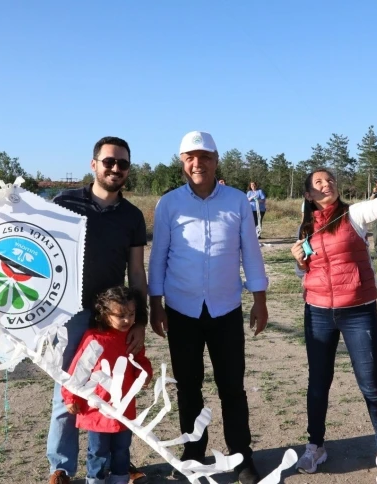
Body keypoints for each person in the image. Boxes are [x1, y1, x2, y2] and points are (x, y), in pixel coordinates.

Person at [290, 151, 377, 483]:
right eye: (318, 182)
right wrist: (299, 262)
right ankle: (315, 446)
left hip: (357, 312)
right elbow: (304, 273)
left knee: (370, 384)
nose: (326, 184)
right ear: (308, 193)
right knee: (318, 383)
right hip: (318, 312)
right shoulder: (305, 227)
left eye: (330, 180)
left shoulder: (353, 215)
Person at [148, 131, 269, 484]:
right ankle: (193, 452)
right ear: (182, 162)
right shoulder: (168, 204)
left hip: (225, 309)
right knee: (189, 386)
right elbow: (158, 257)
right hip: (181, 309)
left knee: (232, 387)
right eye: (190, 158)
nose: (197, 163)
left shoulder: (237, 201)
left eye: (204, 157)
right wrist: (156, 304)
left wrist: (259, 300)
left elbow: (251, 253)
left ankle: (241, 455)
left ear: (216, 160)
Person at [48, 137, 149, 484]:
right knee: (69, 389)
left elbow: (136, 271)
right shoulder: (65, 203)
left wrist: (140, 320)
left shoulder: (132, 216)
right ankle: (61, 467)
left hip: (112, 317)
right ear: (94, 164)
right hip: (69, 312)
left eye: (122, 163)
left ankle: (116, 464)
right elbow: (29, 237)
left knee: (115, 390)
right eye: (109, 161)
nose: (115, 168)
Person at [61, 287, 153, 484]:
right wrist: (70, 397)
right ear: (105, 314)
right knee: (98, 451)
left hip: (123, 407)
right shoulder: (95, 339)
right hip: (98, 409)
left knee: (122, 448)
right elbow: (78, 371)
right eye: (121, 315)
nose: (127, 320)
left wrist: (144, 374)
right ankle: (96, 480)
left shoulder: (131, 337)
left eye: (131, 314)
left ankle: (120, 479)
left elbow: (140, 360)